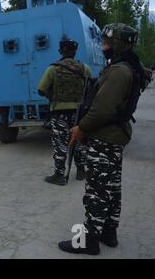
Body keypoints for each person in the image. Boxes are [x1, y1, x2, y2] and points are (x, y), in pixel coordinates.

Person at [59, 23, 151, 255]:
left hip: (104, 137)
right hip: (114, 137)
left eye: (107, 43)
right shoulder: (128, 67)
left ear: (118, 45)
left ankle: (88, 240)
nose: (103, 46)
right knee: (111, 187)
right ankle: (109, 232)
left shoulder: (119, 71)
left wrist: (81, 128)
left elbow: (101, 110)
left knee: (97, 189)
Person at [38, 39, 93, 185]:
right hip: (78, 113)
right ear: (75, 51)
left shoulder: (52, 69)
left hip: (59, 112)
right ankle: (81, 170)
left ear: (60, 51)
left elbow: (41, 90)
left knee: (60, 144)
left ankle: (59, 175)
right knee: (78, 141)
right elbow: (92, 89)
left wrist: (52, 95)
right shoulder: (84, 68)